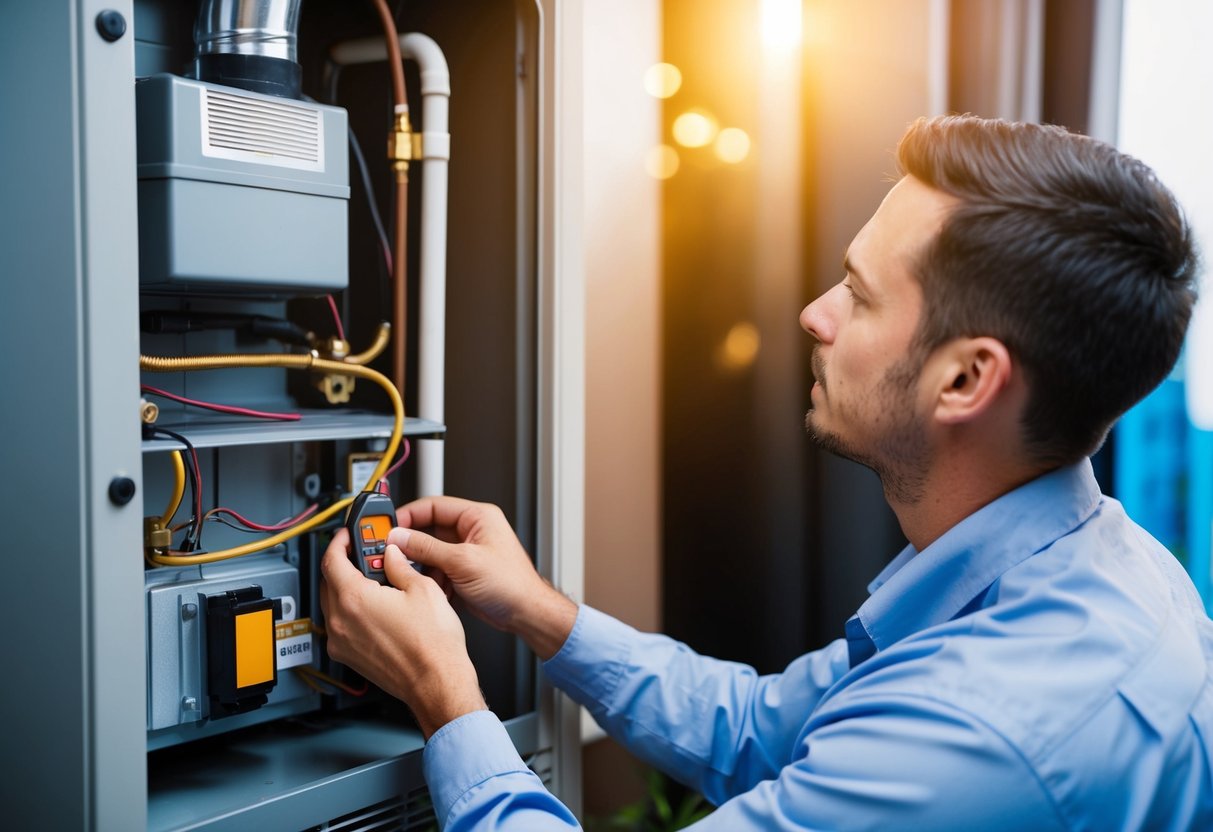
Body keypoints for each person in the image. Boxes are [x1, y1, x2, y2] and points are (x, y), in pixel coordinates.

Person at [320, 115, 1211, 830]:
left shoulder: (980, 737)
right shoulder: (1100, 568)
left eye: (858, 295)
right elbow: (760, 728)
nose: (813, 314)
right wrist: (543, 615)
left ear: (967, 379)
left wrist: (443, 697)